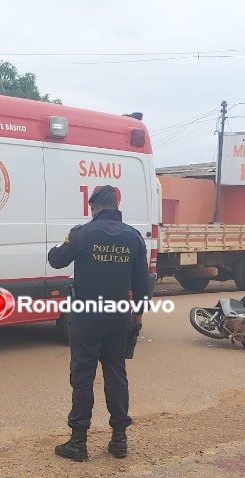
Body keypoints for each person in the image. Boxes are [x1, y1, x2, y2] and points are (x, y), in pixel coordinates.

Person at [47, 185, 150, 462]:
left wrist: (63, 243)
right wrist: (137, 318)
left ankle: (78, 443)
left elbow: (56, 261)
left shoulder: (82, 233)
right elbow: (142, 282)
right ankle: (119, 441)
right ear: (116, 206)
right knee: (116, 374)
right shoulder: (134, 237)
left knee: (83, 376)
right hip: (119, 316)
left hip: (86, 317)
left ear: (93, 207)